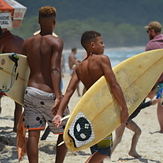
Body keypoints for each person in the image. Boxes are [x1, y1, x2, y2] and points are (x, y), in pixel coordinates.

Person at [53, 30, 129, 163]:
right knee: (104, 150)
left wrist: (59, 113)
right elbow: (114, 84)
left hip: (88, 110)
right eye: (101, 42)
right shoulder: (102, 59)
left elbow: (69, 91)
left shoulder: (79, 67)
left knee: (95, 145)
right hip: (102, 110)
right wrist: (124, 108)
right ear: (92, 45)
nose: (104, 45)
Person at [21, 6, 69, 163]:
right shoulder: (56, 42)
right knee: (65, 131)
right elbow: (54, 69)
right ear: (54, 22)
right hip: (48, 92)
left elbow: (22, 70)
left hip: (30, 91)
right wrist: (57, 96)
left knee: (33, 133)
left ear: (38, 22)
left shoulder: (27, 43)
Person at [111, 84, 158, 158]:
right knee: (118, 138)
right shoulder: (139, 96)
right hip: (122, 118)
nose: (156, 93)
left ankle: (132, 151)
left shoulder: (143, 97)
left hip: (127, 119)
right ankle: (107, 156)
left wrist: (150, 103)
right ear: (150, 91)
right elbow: (137, 106)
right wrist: (150, 103)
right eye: (155, 91)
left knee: (138, 131)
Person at [0, 27, 24, 132]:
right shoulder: (21, 40)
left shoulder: (3, 41)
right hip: (19, 76)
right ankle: (16, 127)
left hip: (4, 78)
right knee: (18, 103)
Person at [144, 21, 163, 133]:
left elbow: (148, 65)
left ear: (152, 31)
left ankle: (162, 129)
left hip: (161, 80)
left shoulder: (151, 45)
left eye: (148, 31)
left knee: (160, 101)